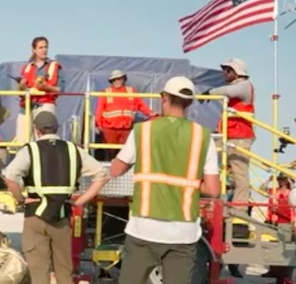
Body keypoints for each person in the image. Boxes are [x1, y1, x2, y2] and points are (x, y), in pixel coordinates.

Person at [75, 76, 221, 284]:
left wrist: (83, 194)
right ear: (189, 103)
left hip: (144, 228)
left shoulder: (143, 131)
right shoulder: (203, 137)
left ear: (164, 98)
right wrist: (188, 182)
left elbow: (114, 169)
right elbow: (213, 190)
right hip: (183, 233)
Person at [1, 111, 106, 284]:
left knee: (39, 272)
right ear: (57, 129)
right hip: (62, 216)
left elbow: (10, 177)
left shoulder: (30, 150)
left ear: (37, 130)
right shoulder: (74, 150)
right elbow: (103, 174)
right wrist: (81, 200)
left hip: (36, 214)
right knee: (64, 272)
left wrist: (20, 200)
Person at [203, 58, 255, 213]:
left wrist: (210, 92)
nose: (224, 73)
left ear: (236, 72)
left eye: (227, 70)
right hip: (228, 136)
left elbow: (229, 91)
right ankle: (209, 199)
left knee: (240, 174)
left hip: (240, 137)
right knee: (206, 161)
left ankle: (239, 209)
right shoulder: (236, 88)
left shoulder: (245, 86)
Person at [95, 70, 156, 160]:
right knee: (111, 153)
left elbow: (141, 105)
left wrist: (151, 113)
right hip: (110, 129)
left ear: (124, 79)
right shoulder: (105, 92)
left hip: (126, 129)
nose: (116, 81)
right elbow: (99, 110)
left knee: (125, 153)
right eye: (113, 80)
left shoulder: (131, 91)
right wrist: (98, 124)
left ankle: (123, 171)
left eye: (118, 79)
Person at [14, 36, 64, 144]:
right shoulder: (26, 68)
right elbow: (20, 92)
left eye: (46, 47)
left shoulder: (54, 66)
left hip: (45, 105)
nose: (44, 50)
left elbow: (61, 89)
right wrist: (21, 86)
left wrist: (46, 87)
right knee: (22, 141)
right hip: (26, 106)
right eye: (41, 47)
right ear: (34, 50)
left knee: (46, 142)